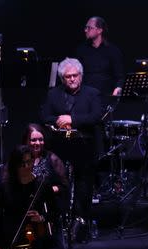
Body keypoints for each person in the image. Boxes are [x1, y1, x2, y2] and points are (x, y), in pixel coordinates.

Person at [41, 58, 101, 236]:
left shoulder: (93, 93)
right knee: (60, 182)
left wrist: (72, 120)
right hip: (61, 145)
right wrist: (61, 122)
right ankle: (60, 221)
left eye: (75, 75)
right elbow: (44, 116)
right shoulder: (53, 94)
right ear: (62, 79)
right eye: (68, 77)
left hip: (85, 146)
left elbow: (96, 116)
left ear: (81, 76)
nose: (72, 79)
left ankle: (81, 223)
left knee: (84, 186)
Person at [0, 146, 60, 249]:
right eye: (23, 163)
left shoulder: (42, 185)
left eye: (29, 162)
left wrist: (41, 217)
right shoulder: (3, 188)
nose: (27, 167)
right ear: (15, 165)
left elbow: (56, 212)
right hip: (11, 240)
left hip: (36, 241)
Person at [73, 16, 123, 101]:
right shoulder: (81, 50)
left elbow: (120, 76)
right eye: (86, 28)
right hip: (85, 97)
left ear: (99, 30)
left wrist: (118, 87)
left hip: (105, 96)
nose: (85, 30)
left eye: (89, 28)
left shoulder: (113, 51)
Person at [23, 123, 70, 204]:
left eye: (41, 140)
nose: (38, 143)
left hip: (47, 205)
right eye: (33, 140)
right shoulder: (19, 158)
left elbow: (65, 186)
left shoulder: (52, 158)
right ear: (26, 141)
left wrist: (48, 190)